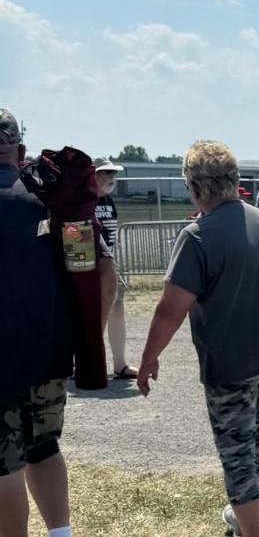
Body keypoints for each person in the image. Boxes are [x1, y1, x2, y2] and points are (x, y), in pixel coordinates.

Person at [137, 141, 259, 537]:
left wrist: (148, 359)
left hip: (232, 365)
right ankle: (238, 516)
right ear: (234, 182)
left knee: (236, 454)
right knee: (253, 429)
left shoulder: (198, 236)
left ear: (194, 188)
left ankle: (249, 527)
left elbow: (170, 308)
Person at [0, 108, 76, 537]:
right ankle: (60, 533)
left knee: (3, 467)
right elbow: (98, 272)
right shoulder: (52, 197)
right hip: (48, 351)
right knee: (44, 448)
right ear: (21, 150)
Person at [94, 157, 138, 380]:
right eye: (106, 172)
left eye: (113, 173)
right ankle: (85, 362)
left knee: (117, 307)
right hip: (89, 268)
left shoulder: (108, 201)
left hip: (109, 265)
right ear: (94, 175)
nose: (111, 177)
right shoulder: (84, 200)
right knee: (89, 315)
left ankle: (120, 364)